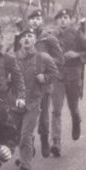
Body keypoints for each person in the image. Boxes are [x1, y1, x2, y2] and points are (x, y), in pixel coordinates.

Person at [13, 27, 59, 170]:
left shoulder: (43, 58)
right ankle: (27, 151)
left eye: (30, 36)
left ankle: (23, 169)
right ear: (19, 41)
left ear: (35, 40)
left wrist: (44, 77)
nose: (26, 39)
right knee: (18, 135)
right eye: (23, 36)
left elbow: (55, 74)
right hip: (15, 103)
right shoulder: (12, 58)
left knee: (25, 135)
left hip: (33, 102)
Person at [51, 8, 86, 155]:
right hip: (57, 76)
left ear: (71, 20)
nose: (63, 20)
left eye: (66, 17)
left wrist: (76, 55)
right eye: (60, 18)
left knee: (73, 107)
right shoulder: (50, 37)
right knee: (56, 109)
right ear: (56, 21)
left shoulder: (77, 35)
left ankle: (76, 119)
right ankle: (56, 142)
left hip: (73, 76)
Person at [27, 9, 65, 159]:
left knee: (43, 117)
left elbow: (61, 59)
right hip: (27, 84)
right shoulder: (24, 37)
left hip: (43, 83)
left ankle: (44, 139)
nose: (34, 21)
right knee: (26, 116)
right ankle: (27, 146)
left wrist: (45, 65)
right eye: (32, 19)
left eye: (37, 18)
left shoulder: (49, 39)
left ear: (42, 20)